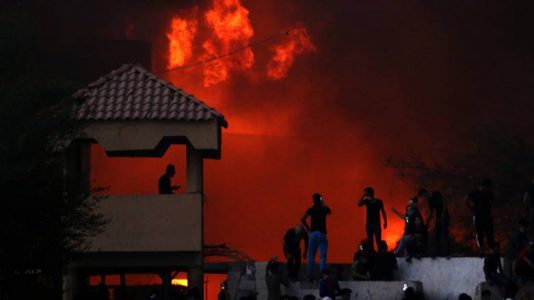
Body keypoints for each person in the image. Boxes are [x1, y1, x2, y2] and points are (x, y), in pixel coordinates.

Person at [301, 193, 331, 279]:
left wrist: (308, 229)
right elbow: (330, 211)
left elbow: (302, 219)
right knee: (322, 255)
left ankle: (309, 274)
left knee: (311, 256)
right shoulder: (324, 209)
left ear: (313, 200)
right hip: (322, 233)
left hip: (313, 234)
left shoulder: (311, 209)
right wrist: (323, 202)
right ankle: (323, 273)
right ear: (320, 199)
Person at [465, 178, 495, 254]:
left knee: (487, 233)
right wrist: (471, 207)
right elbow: (466, 198)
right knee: (481, 233)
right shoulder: (477, 192)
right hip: (480, 215)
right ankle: (482, 249)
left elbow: (466, 198)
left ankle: (488, 249)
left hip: (484, 215)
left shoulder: (486, 192)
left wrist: (471, 207)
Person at [426, 191, 450, 257]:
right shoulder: (430, 201)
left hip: (444, 216)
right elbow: (431, 212)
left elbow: (444, 203)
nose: (425, 197)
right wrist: (427, 221)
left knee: (444, 234)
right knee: (437, 234)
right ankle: (438, 252)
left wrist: (442, 214)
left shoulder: (435, 194)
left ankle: (447, 252)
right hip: (438, 217)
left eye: (424, 195)